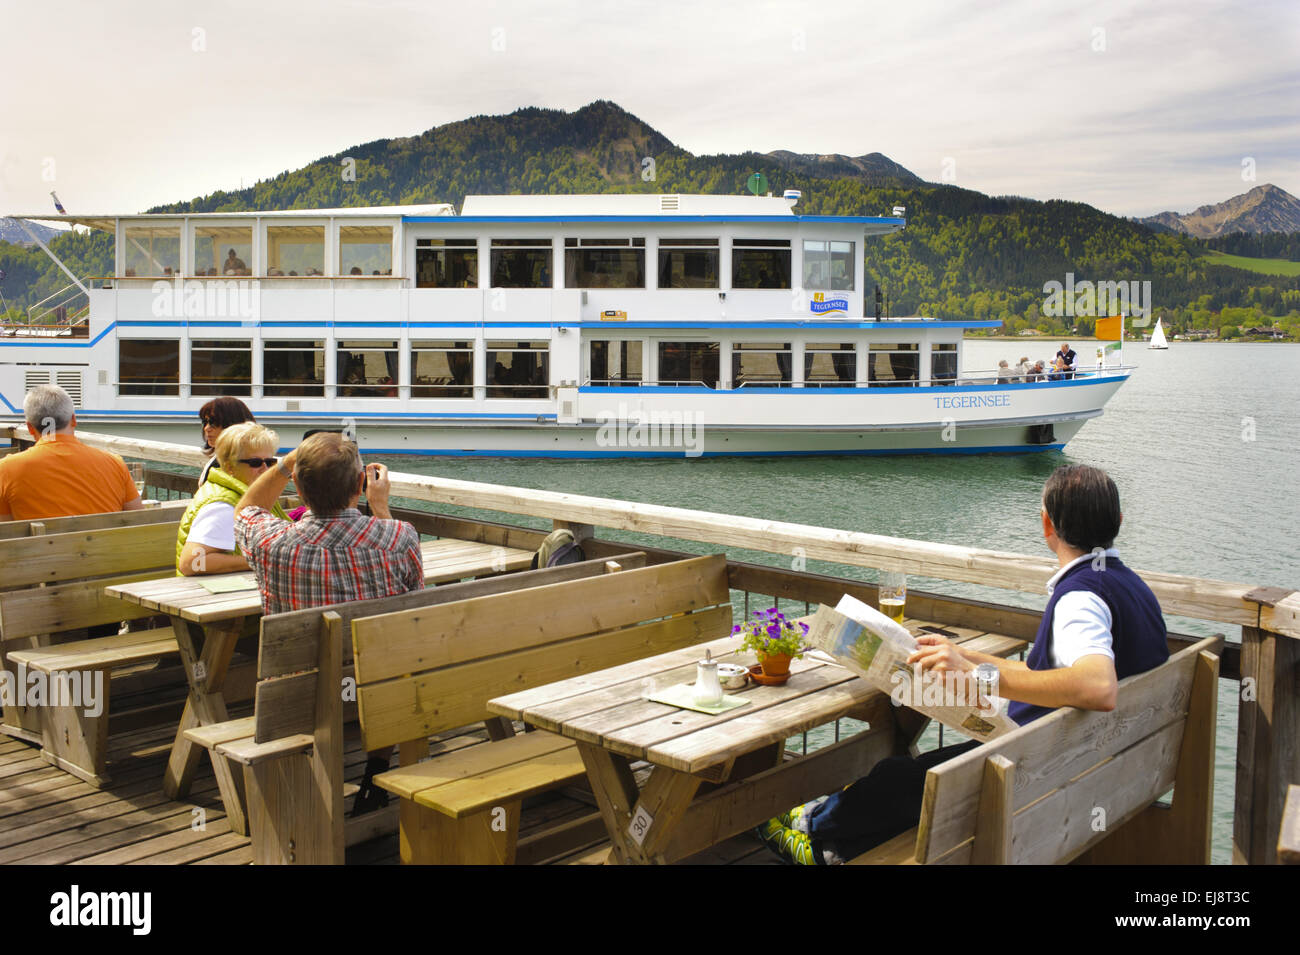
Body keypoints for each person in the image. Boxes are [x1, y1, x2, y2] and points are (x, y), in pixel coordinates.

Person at [758, 464, 1169, 864]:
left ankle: (811, 827)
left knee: (901, 780)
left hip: (1043, 775)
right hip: (1094, 766)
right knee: (915, 777)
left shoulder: (1081, 598)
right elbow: (1056, 678)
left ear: (1047, 526)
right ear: (1117, 519)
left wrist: (977, 674)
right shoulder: (1131, 587)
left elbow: (1097, 687)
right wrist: (965, 656)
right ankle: (832, 847)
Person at [234, 431, 423, 815]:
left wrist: (287, 464)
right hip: (378, 693)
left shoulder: (273, 544)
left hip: (298, 700)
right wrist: (381, 506)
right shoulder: (400, 537)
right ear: (360, 483)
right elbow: (412, 603)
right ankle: (377, 767)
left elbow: (246, 508)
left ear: (299, 488)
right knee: (388, 657)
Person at [0, 384, 143, 521]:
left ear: (30, 428)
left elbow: (6, 530)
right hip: (104, 546)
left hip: (44, 546)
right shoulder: (115, 463)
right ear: (73, 420)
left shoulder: (6, 469)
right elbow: (138, 520)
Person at [177, 423, 287, 576]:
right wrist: (261, 561)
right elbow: (193, 563)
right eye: (255, 463)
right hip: (211, 596)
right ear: (229, 467)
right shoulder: (222, 506)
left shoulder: (243, 495)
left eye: (270, 462)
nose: (265, 469)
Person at [198, 396, 256, 485]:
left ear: (232, 424)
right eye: (205, 422)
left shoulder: (240, 464)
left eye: (213, 422)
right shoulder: (219, 458)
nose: (207, 428)